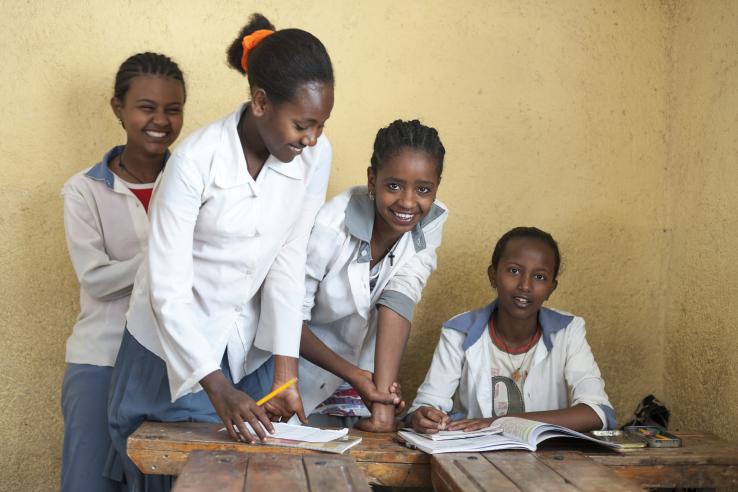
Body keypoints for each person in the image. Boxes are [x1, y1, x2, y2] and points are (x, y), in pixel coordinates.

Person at [105, 13, 334, 490]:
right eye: (302, 124)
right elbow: (165, 289)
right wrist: (216, 387)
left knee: (246, 477)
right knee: (173, 475)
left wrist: (285, 369)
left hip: (244, 354)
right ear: (261, 102)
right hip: (169, 350)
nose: (311, 138)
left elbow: (288, 259)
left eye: (320, 124)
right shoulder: (194, 163)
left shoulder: (314, 153)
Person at [60, 52, 186, 492]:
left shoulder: (194, 183)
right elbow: (95, 279)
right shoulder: (85, 190)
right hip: (102, 362)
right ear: (118, 108)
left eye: (173, 110)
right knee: (89, 482)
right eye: (146, 107)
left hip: (173, 368)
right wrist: (170, 258)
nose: (161, 121)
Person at [296, 119, 448, 432]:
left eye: (423, 189)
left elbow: (399, 299)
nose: (408, 201)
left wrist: (382, 408)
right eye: (393, 185)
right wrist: (354, 375)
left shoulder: (430, 222)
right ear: (372, 178)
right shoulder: (330, 226)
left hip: (366, 379)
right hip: (303, 370)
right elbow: (287, 318)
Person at [407, 227, 615, 434]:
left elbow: (597, 413)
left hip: (548, 460)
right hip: (475, 459)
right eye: (514, 271)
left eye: (540, 277)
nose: (525, 285)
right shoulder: (460, 331)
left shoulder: (568, 331)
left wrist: (499, 422)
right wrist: (424, 417)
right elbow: (425, 407)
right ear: (493, 275)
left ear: (552, 288)